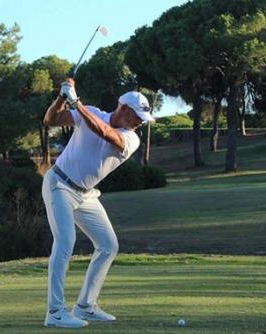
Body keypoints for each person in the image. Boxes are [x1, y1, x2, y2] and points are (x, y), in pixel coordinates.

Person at [41, 78, 154, 328]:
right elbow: (51, 120)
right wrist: (61, 98)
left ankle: (85, 306)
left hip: (86, 194)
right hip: (58, 184)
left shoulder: (131, 139)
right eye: (137, 117)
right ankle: (55, 311)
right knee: (65, 242)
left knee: (108, 244)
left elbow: (105, 132)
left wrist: (75, 101)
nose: (139, 124)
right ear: (123, 108)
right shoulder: (91, 112)